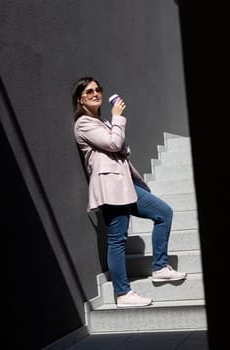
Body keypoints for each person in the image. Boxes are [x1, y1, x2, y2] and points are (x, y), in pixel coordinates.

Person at [72, 76, 187, 308]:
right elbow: (115, 144)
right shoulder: (84, 123)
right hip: (110, 187)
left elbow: (121, 146)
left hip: (125, 184)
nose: (96, 94)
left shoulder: (102, 122)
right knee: (118, 239)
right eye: (89, 92)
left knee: (163, 213)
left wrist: (114, 126)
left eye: (98, 90)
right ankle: (122, 293)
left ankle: (160, 267)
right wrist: (117, 118)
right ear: (80, 99)